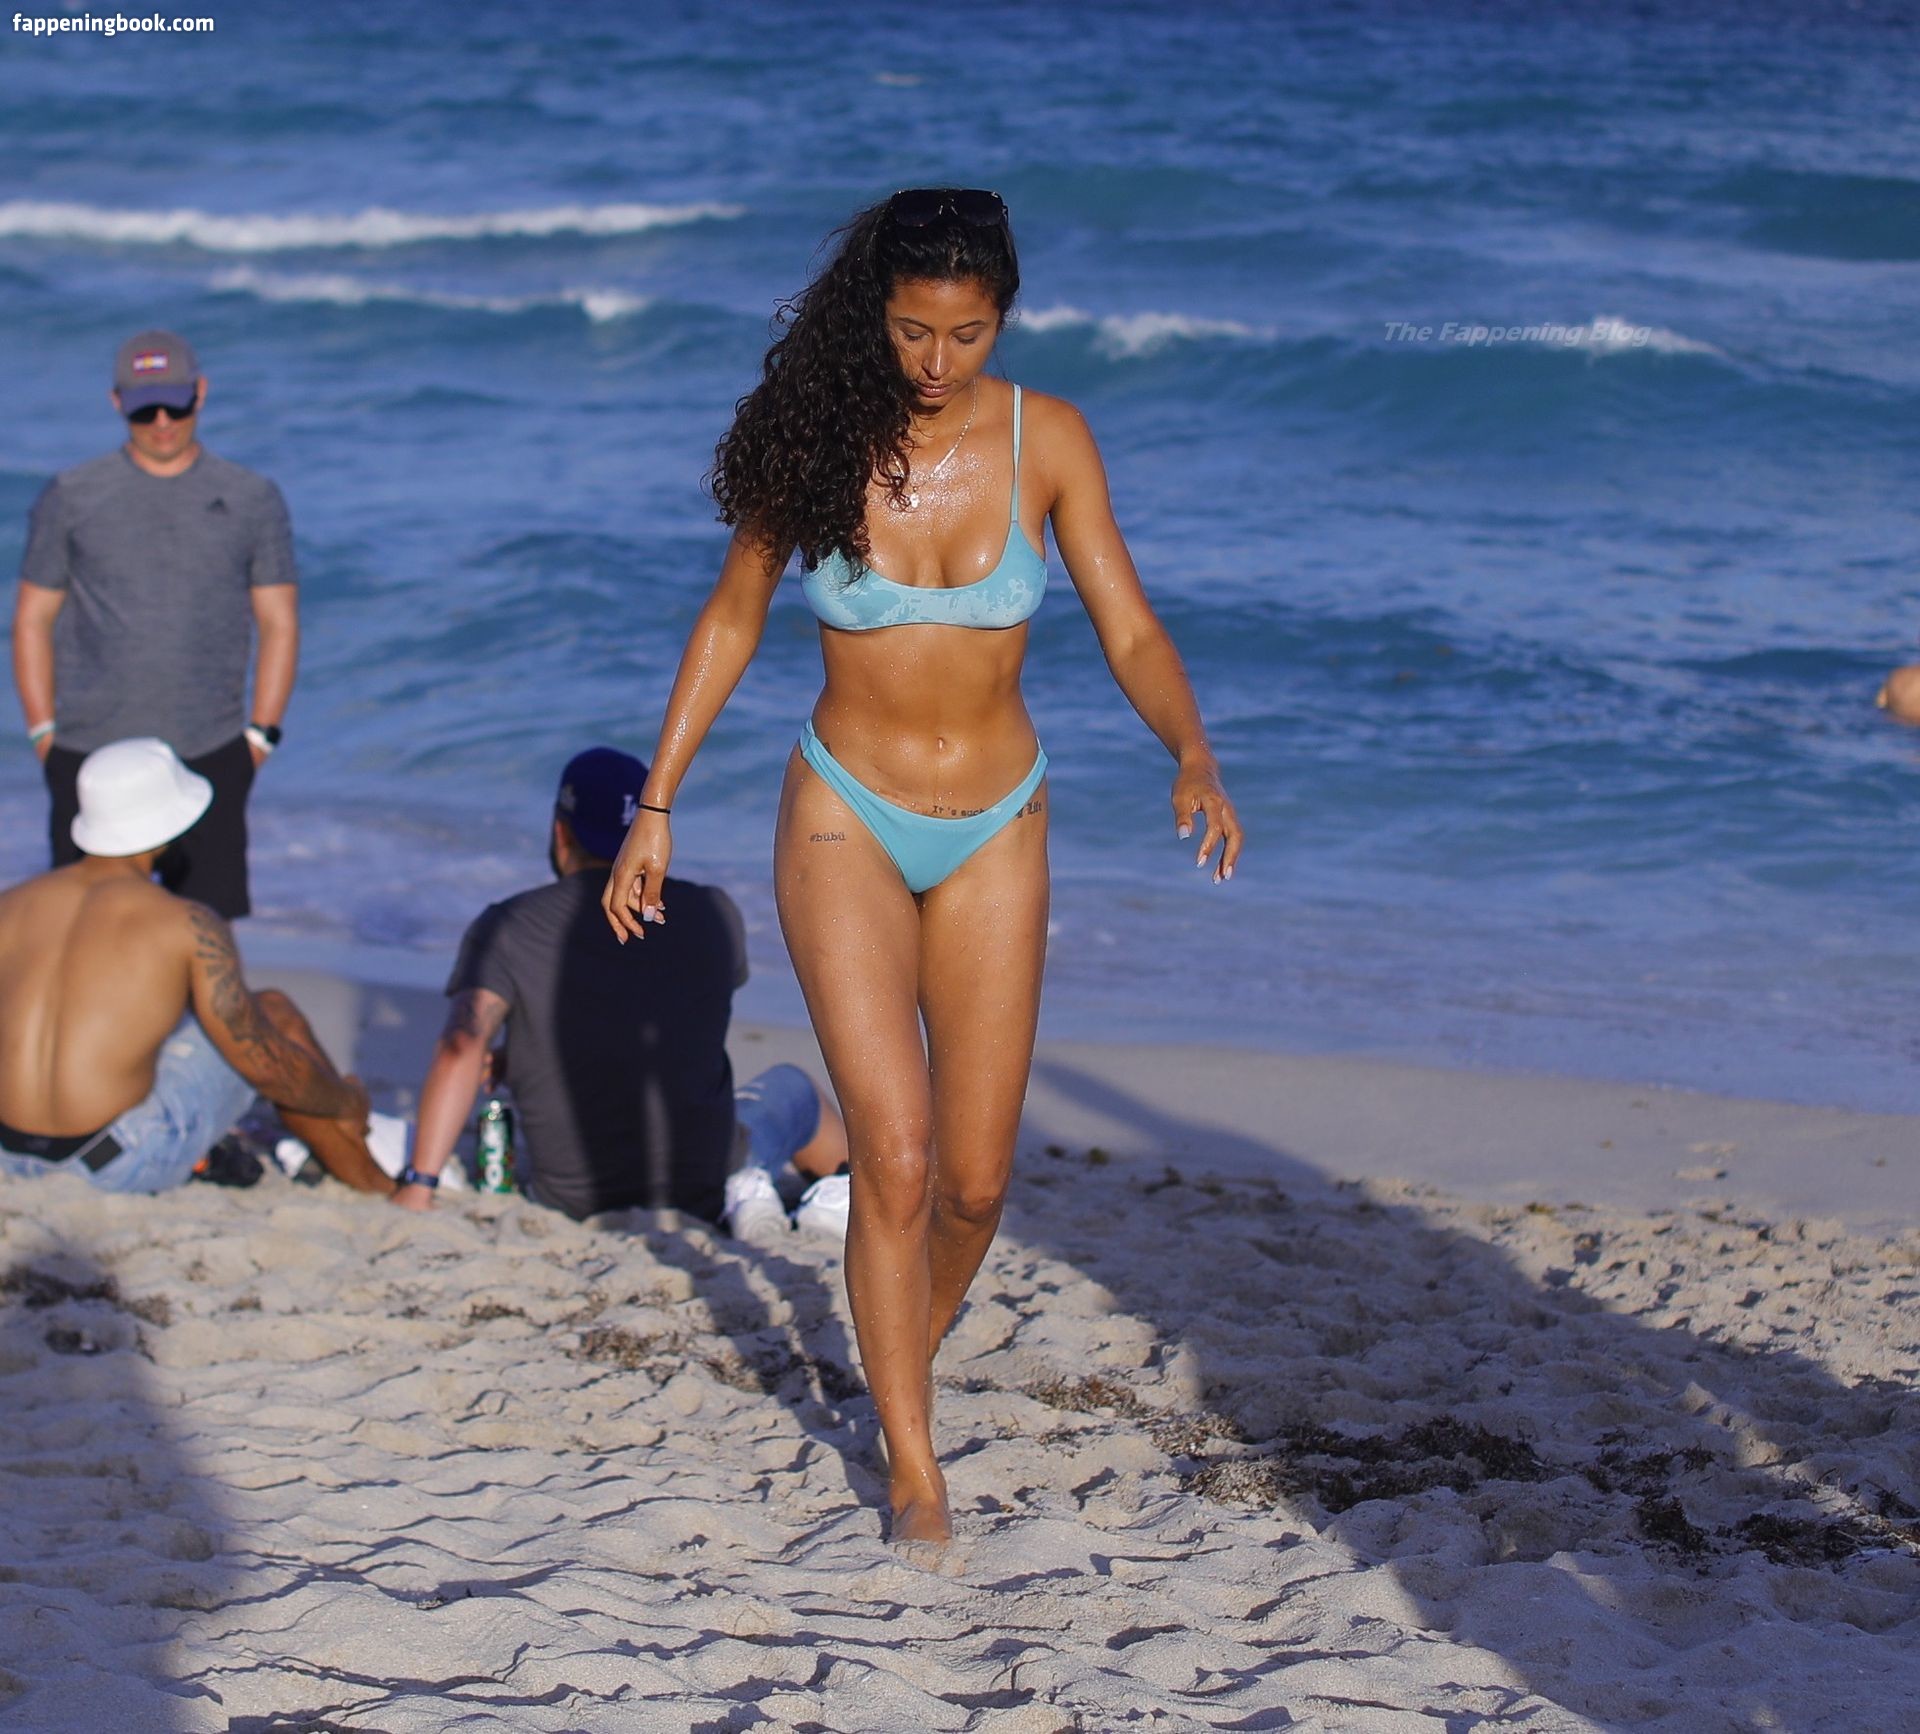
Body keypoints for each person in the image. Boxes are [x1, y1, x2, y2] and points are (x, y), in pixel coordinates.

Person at [600, 187, 1245, 1546]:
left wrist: (1190, 749)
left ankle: (901, 1351)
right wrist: (656, 803)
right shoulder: (816, 438)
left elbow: (1129, 625)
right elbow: (731, 619)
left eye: (966, 333)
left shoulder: (1047, 438)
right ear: (874, 314)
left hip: (999, 818)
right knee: (890, 1153)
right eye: (911, 331)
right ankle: (913, 1467)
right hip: (844, 809)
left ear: (1002, 317)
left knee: (973, 1182)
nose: (938, 361)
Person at [389, 746, 848, 1224]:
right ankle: (850, 1195)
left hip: (572, 1198)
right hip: (700, 1186)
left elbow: (461, 1045)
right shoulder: (713, 912)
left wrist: (420, 1184)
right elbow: (664, 1017)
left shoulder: (510, 925)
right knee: (795, 1089)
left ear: (561, 832)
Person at [0, 738, 390, 1195]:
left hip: (9, 1155)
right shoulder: (185, 923)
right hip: (111, 1166)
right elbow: (267, 1066)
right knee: (272, 1014)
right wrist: (345, 1101)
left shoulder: (11, 904)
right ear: (168, 826)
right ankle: (377, 1186)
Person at [11, 329, 299, 919]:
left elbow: (279, 622)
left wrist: (261, 736)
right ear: (117, 402)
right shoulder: (71, 495)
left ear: (201, 393)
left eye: (176, 403)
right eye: (145, 409)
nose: (163, 421)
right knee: (87, 932)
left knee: (206, 933)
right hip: (89, 755)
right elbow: (33, 618)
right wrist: (43, 734)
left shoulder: (251, 497)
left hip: (211, 751)